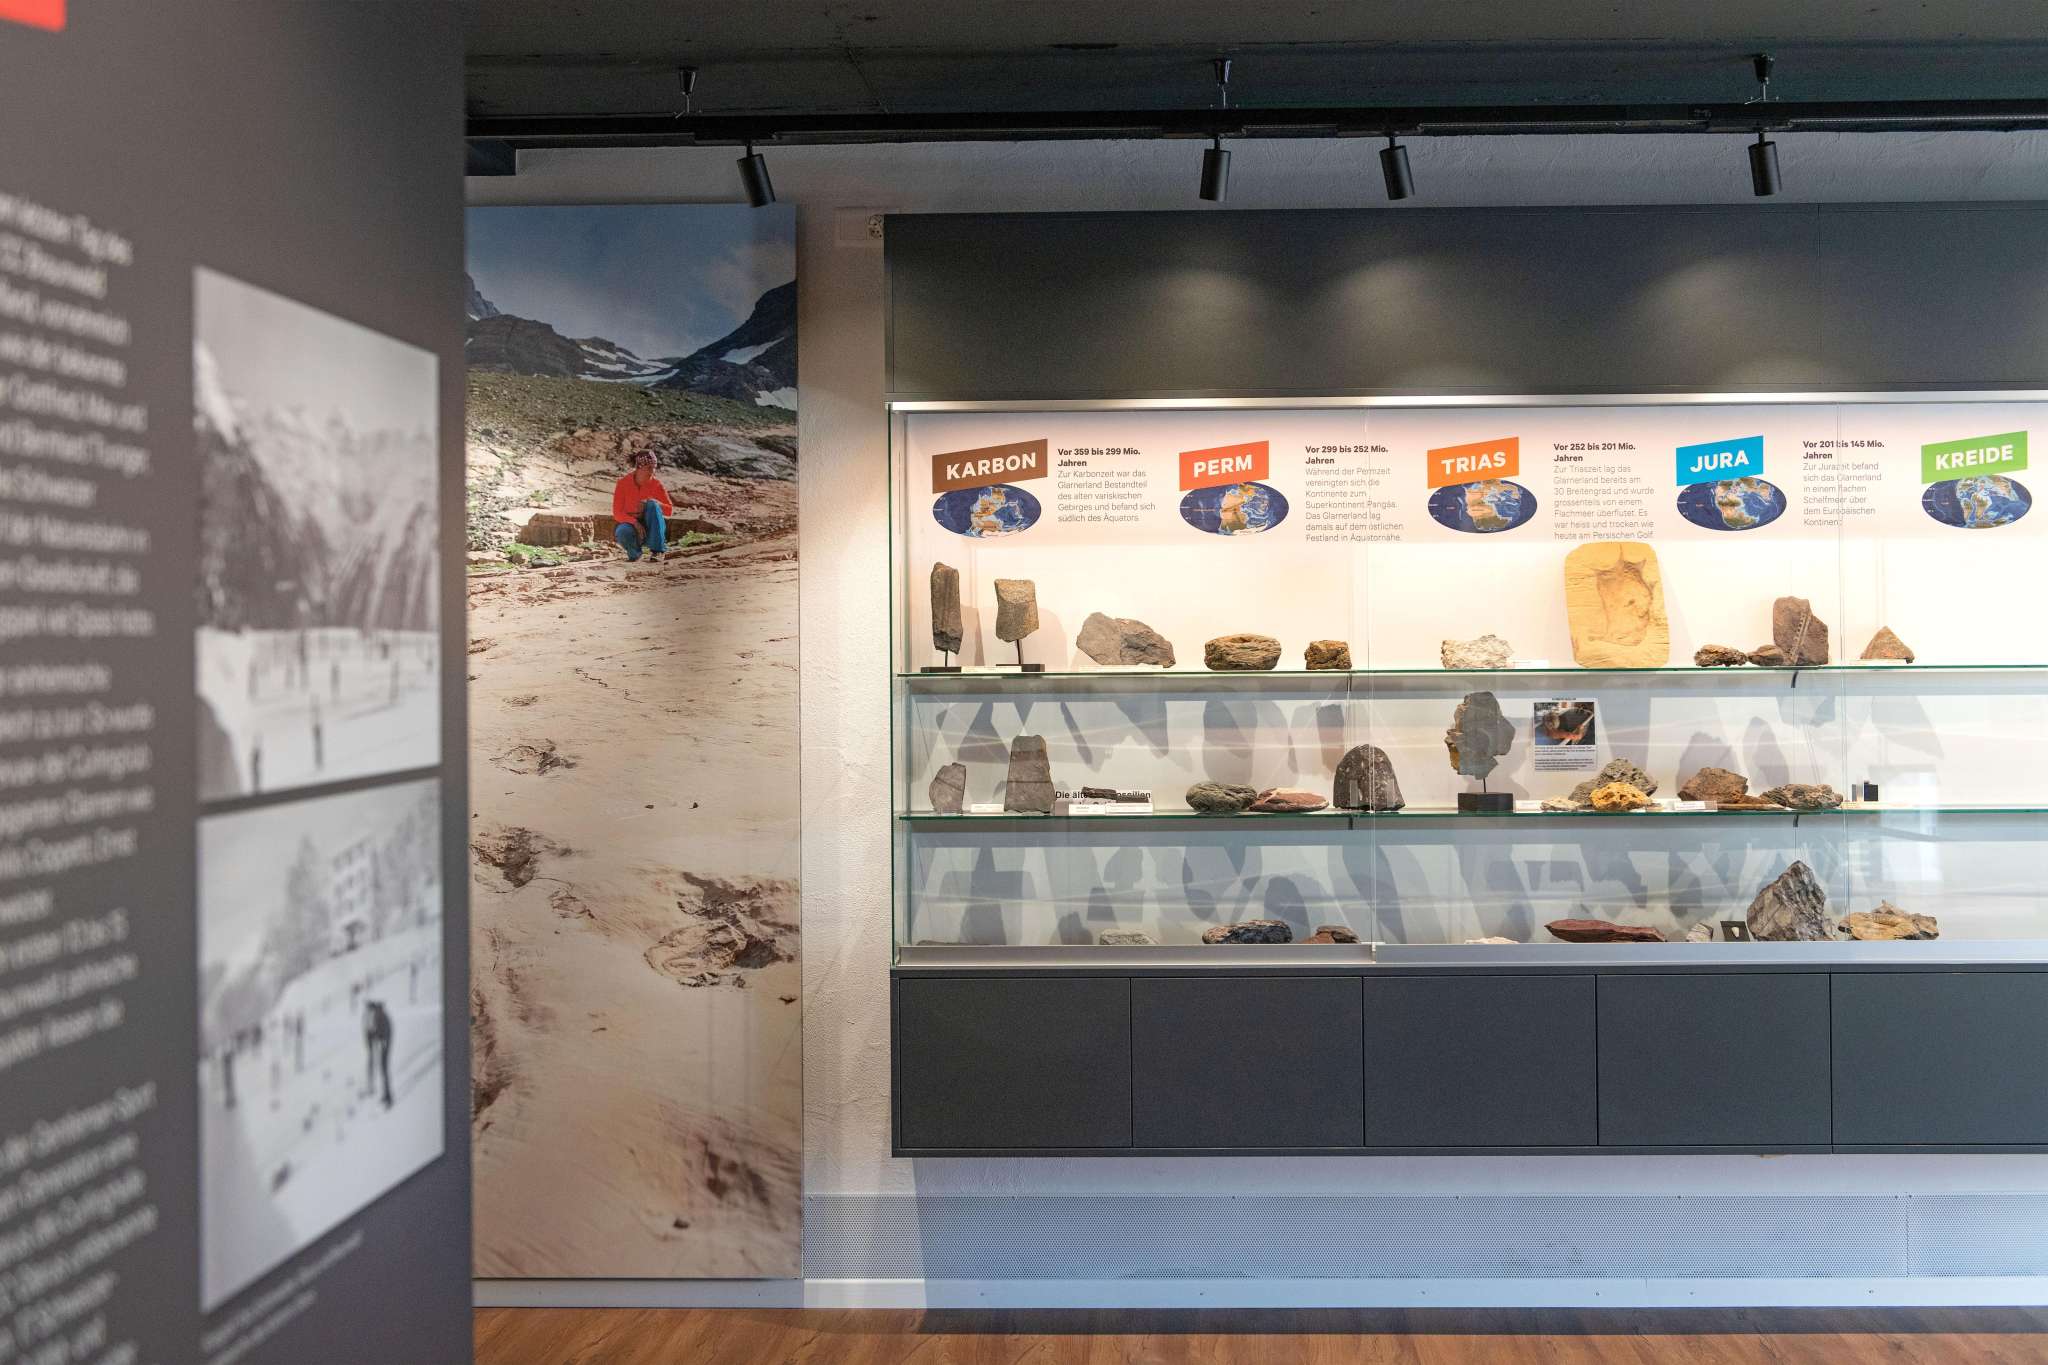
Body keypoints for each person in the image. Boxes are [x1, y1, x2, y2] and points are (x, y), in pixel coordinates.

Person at [611, 450, 674, 563]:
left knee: (653, 505)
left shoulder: (656, 484)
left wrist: (652, 502)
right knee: (622, 531)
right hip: (632, 525)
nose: (653, 471)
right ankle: (635, 554)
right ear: (639, 467)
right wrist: (634, 522)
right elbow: (617, 513)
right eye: (649, 468)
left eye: (654, 467)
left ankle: (658, 551)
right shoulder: (623, 483)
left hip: (652, 526)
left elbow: (669, 510)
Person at [363, 999, 393, 1109]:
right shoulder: (377, 1016)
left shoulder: (382, 1017)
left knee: (384, 1070)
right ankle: (384, 1093)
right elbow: (374, 1031)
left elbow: (384, 1032)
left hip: (384, 1046)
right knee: (381, 1069)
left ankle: (388, 1096)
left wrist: (381, 1042)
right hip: (381, 1045)